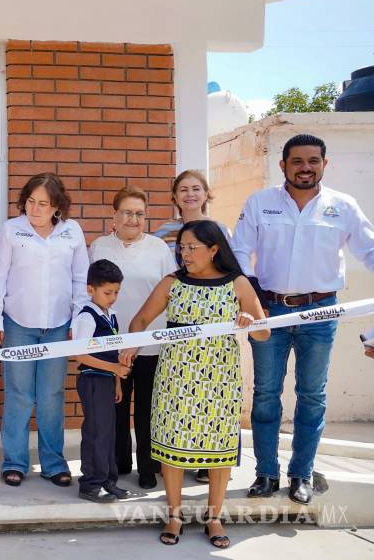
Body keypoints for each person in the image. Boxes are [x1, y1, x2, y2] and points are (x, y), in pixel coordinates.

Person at [232, 133, 374, 505]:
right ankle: (265, 473)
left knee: (312, 396)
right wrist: (251, 299)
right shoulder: (260, 203)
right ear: (284, 165)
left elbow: (370, 250)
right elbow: (240, 253)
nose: (305, 167)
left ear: (325, 164)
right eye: (297, 161)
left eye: (313, 161)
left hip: (321, 313)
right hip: (270, 312)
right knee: (265, 396)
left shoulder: (343, 206)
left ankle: (301, 474)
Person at [130, 220, 268, 549]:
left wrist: (249, 323)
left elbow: (265, 332)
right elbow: (141, 319)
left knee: (219, 451)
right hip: (176, 378)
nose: (185, 253)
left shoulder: (238, 284)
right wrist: (131, 344)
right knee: (173, 448)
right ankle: (174, 515)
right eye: (182, 247)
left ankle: (214, 517)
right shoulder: (173, 282)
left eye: (192, 247)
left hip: (220, 379)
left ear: (214, 249)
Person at [0, 172, 87, 489]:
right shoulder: (11, 230)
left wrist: (78, 322)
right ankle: (15, 462)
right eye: (30, 201)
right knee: (18, 395)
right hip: (17, 324)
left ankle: (53, 463)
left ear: (57, 206)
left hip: (58, 326)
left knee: (51, 396)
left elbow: (80, 281)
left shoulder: (72, 232)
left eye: (42, 203)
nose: (34, 208)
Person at [92, 187, 176, 490]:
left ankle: (147, 467)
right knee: (114, 406)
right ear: (114, 215)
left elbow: (172, 293)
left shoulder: (158, 249)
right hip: (110, 345)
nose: (133, 218)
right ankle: (119, 462)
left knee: (146, 408)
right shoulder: (99, 246)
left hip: (150, 344)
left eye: (139, 213)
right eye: (127, 212)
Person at [70, 259, 133, 504]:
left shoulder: (111, 316)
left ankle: (108, 481)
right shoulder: (87, 317)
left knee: (109, 432)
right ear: (90, 290)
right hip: (92, 380)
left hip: (108, 381)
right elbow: (81, 355)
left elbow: (112, 350)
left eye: (116, 292)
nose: (113, 297)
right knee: (96, 432)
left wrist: (117, 379)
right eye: (107, 292)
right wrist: (114, 368)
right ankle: (90, 484)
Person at [153, 170, 230, 251]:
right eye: (183, 190)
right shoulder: (163, 232)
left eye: (196, 189)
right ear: (175, 197)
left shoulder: (220, 230)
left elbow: (229, 261)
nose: (190, 194)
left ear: (205, 195)